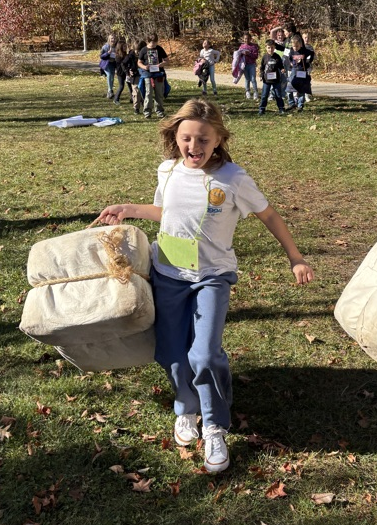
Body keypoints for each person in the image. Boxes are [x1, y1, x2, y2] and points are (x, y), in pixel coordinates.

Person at [96, 97, 313, 473]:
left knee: (205, 355)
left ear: (218, 140)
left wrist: (295, 257)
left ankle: (214, 426)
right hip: (167, 274)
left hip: (212, 277)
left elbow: (269, 216)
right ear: (175, 137)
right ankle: (186, 408)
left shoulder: (233, 179)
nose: (193, 146)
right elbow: (167, 212)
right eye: (186, 138)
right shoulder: (167, 170)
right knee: (171, 352)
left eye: (203, 139)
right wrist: (128, 209)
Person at [138, 33, 168, 119]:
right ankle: (147, 112)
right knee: (148, 93)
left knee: (159, 93)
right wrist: (144, 67)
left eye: (155, 42)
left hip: (158, 74)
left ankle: (159, 111)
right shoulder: (143, 50)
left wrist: (162, 64)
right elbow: (139, 62)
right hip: (148, 74)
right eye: (152, 43)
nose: (154, 44)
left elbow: (166, 60)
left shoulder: (159, 49)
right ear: (148, 41)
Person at [284, 33, 315, 111]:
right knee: (289, 88)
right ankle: (291, 103)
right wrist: (291, 63)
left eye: (297, 46)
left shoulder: (304, 51)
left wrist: (308, 61)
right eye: (294, 46)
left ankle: (300, 105)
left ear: (300, 45)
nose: (295, 48)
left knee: (301, 89)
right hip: (294, 70)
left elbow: (312, 53)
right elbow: (289, 57)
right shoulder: (292, 51)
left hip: (302, 71)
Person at [258, 39, 286, 116]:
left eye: (272, 47)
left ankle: (281, 108)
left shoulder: (277, 56)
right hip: (266, 80)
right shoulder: (264, 57)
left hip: (276, 80)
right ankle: (262, 109)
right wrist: (261, 75)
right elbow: (262, 68)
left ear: (274, 48)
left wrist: (282, 69)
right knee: (264, 95)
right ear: (266, 48)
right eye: (269, 48)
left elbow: (281, 65)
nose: (270, 49)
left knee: (278, 95)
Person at [117, 40, 142, 112]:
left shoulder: (143, 54)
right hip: (134, 75)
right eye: (137, 50)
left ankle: (143, 103)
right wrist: (128, 72)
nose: (138, 52)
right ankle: (136, 108)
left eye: (139, 51)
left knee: (142, 90)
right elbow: (123, 64)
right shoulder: (130, 55)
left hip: (143, 74)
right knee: (135, 91)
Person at [238, 33, 260, 100]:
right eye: (245, 38)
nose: (246, 40)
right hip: (244, 65)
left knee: (253, 79)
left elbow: (256, 56)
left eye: (248, 38)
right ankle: (247, 92)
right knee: (247, 79)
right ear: (243, 39)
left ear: (250, 39)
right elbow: (238, 55)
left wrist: (249, 53)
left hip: (252, 65)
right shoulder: (242, 46)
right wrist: (241, 53)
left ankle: (255, 92)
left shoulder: (254, 46)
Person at [99, 35, 119, 99]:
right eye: (112, 38)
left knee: (112, 77)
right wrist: (108, 53)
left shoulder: (117, 46)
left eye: (114, 38)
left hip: (113, 64)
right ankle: (110, 90)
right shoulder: (105, 47)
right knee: (109, 75)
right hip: (106, 64)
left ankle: (110, 91)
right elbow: (101, 56)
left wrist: (118, 55)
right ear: (109, 39)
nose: (113, 40)